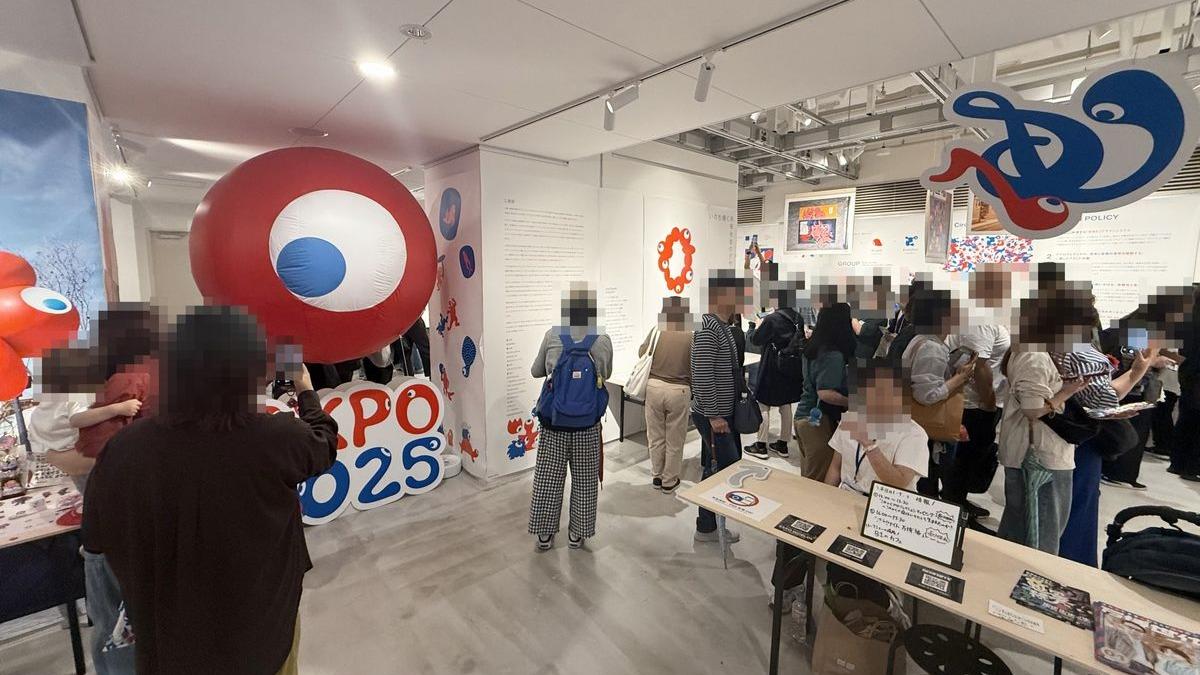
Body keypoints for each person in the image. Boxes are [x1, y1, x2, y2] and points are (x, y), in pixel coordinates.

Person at [82, 305, 339, 675]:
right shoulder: (274, 437)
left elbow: (97, 543)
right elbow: (324, 442)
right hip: (262, 638)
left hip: (166, 649)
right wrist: (306, 389)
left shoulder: (125, 447)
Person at [996, 288, 1092, 554]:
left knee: (1021, 528)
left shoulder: (1031, 350)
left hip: (1034, 450)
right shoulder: (1035, 355)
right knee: (1040, 536)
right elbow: (1033, 409)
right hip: (1040, 454)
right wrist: (1067, 391)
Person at [529, 284, 612, 551]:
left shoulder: (553, 335)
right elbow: (606, 375)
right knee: (585, 482)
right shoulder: (602, 339)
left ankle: (544, 534)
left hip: (554, 422)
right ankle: (577, 533)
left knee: (548, 480)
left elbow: (536, 371)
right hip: (587, 424)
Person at [943, 264, 1013, 518]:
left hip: (978, 400)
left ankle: (958, 500)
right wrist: (989, 403)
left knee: (968, 458)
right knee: (965, 457)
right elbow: (978, 365)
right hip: (974, 403)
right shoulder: (979, 317)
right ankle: (953, 507)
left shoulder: (983, 314)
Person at [692, 271, 750, 543]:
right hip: (714, 415)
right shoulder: (709, 328)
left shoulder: (722, 326)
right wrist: (714, 415)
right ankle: (708, 527)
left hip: (724, 412)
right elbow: (702, 374)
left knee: (718, 467)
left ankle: (707, 525)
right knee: (722, 469)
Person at [901, 289, 975, 497]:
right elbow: (926, 395)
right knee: (926, 486)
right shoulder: (931, 348)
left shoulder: (922, 341)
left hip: (916, 428)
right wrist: (959, 379)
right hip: (924, 430)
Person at [824, 360, 929, 494]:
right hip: (847, 493)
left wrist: (869, 445)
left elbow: (899, 483)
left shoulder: (914, 434)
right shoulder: (851, 417)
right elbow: (836, 467)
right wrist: (826, 495)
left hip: (885, 501)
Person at [793, 303, 855, 480]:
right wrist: (854, 402)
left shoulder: (812, 347)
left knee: (809, 475)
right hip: (817, 421)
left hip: (803, 415)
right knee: (819, 480)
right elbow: (825, 393)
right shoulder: (832, 355)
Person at [638, 296, 693, 493]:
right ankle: (669, 480)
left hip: (654, 387)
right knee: (675, 439)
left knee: (655, 436)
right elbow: (695, 364)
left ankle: (657, 475)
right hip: (679, 390)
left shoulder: (656, 330)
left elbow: (642, 353)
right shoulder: (691, 335)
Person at [746, 280, 803, 459]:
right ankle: (783, 444)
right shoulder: (798, 318)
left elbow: (756, 340)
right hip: (790, 367)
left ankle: (761, 445)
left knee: (763, 403)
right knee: (785, 405)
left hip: (771, 367)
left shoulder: (772, 319)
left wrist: (754, 325)